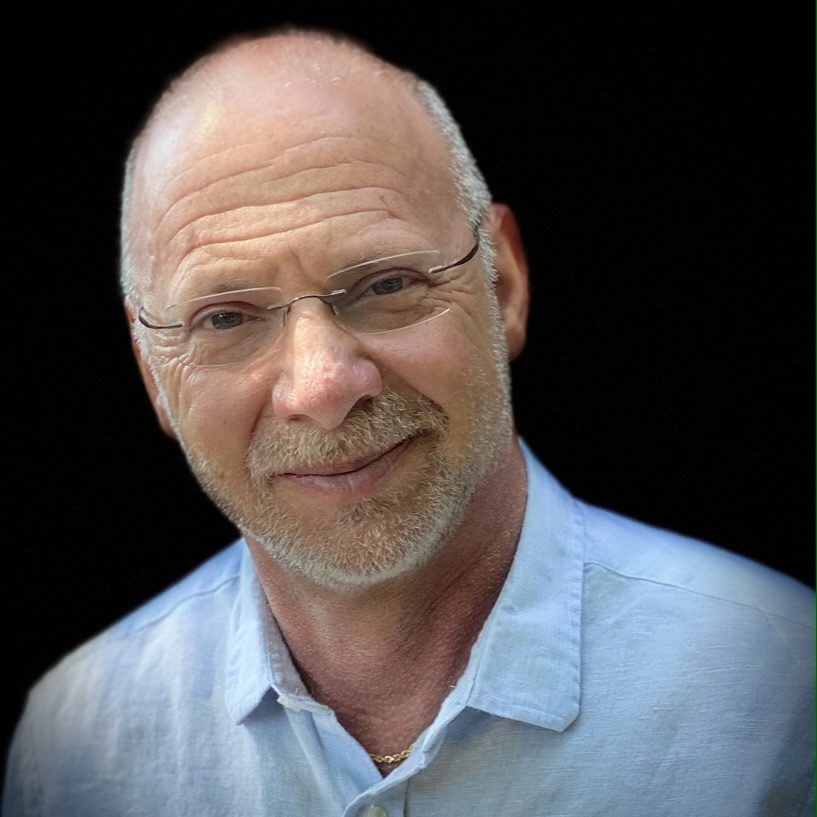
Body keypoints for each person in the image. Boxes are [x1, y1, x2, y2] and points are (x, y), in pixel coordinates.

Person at [4, 26, 813, 817]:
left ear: (501, 286)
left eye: (385, 284)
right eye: (226, 318)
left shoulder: (784, 691)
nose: (321, 385)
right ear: (152, 373)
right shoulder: (77, 743)